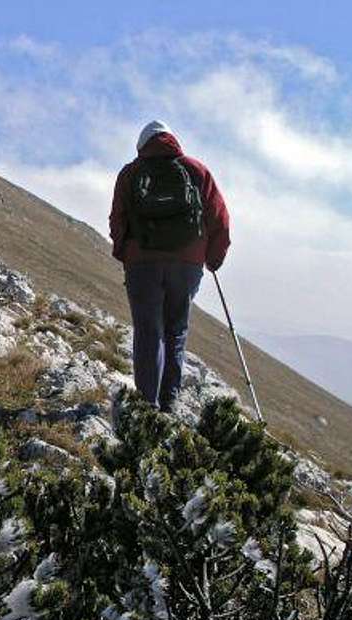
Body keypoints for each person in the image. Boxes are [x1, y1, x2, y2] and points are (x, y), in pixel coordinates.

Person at [109, 120, 230, 412]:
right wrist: (213, 258)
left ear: (141, 145)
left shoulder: (130, 173)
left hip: (142, 264)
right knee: (175, 331)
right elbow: (220, 219)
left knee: (148, 331)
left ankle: (146, 404)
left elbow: (118, 219)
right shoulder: (197, 171)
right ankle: (170, 403)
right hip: (187, 263)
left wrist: (125, 252)